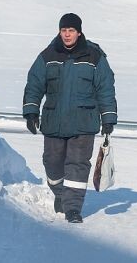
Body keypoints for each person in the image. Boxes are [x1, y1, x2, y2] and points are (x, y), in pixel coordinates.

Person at [22, 13, 117, 223]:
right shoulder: (47, 55)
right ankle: (60, 194)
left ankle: (73, 208)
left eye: (71, 30)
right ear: (59, 31)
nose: (67, 34)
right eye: (64, 30)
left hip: (84, 121)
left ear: (79, 32)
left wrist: (108, 117)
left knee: (78, 164)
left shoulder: (94, 57)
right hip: (54, 120)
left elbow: (106, 88)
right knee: (52, 163)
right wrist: (31, 111)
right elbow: (34, 84)